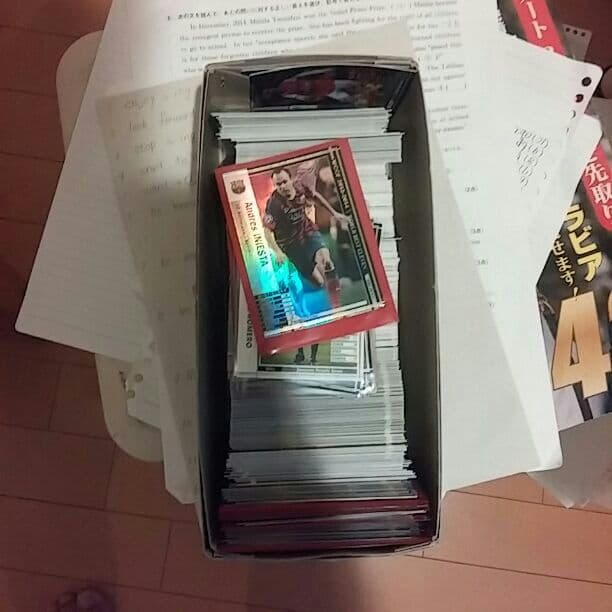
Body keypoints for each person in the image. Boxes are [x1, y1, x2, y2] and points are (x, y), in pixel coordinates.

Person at [263, 166, 347, 300]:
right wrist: (278, 252)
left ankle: (336, 291)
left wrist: (334, 213)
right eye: (278, 185)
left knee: (326, 261)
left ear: (291, 179)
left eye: (284, 182)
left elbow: (315, 197)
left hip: (307, 231)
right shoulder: (274, 204)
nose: (282, 186)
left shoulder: (301, 187)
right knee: (319, 282)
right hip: (291, 244)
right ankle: (323, 291)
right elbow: (267, 231)